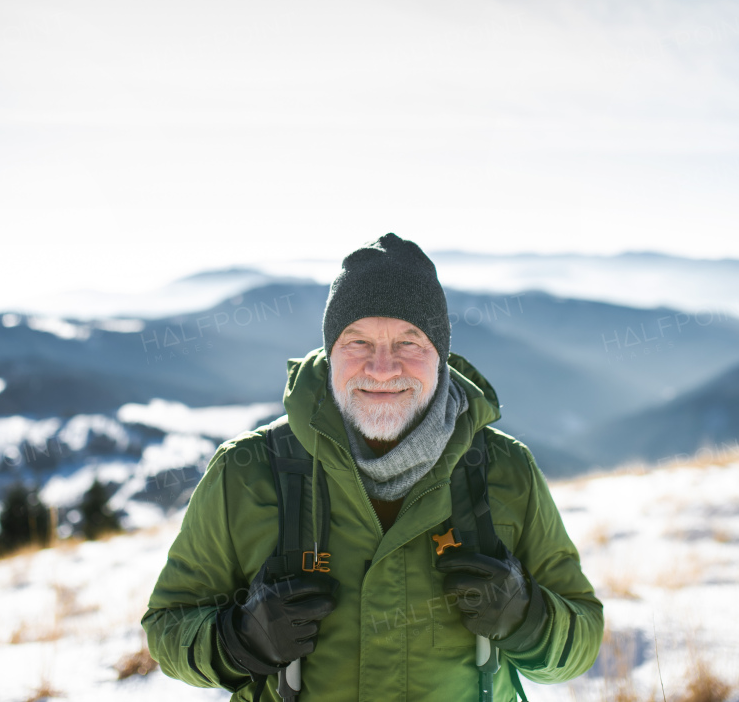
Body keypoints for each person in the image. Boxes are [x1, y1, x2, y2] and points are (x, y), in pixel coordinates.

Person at [142, 233, 603, 700]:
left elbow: (582, 637)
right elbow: (168, 625)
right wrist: (237, 641)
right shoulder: (246, 470)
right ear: (330, 351)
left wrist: (527, 618)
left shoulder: (506, 469)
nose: (382, 369)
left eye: (409, 342)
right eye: (358, 341)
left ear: (439, 355)